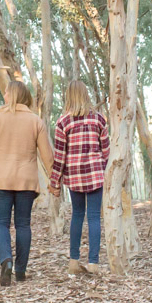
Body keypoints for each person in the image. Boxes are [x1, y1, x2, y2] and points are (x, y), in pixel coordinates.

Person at [0, 80, 54, 287]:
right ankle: (20, 270)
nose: (5, 96)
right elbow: (47, 156)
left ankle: (6, 261)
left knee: (1, 223)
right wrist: (55, 179)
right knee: (23, 224)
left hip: (0, 180)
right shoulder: (35, 121)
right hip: (26, 181)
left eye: (6, 93)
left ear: (12, 95)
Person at [49, 80, 109, 276]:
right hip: (95, 175)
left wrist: (54, 182)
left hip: (74, 176)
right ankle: (93, 263)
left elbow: (59, 157)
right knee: (93, 217)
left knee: (77, 215)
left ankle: (73, 261)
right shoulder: (99, 120)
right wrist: (104, 171)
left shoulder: (63, 122)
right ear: (86, 95)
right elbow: (106, 151)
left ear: (69, 96)